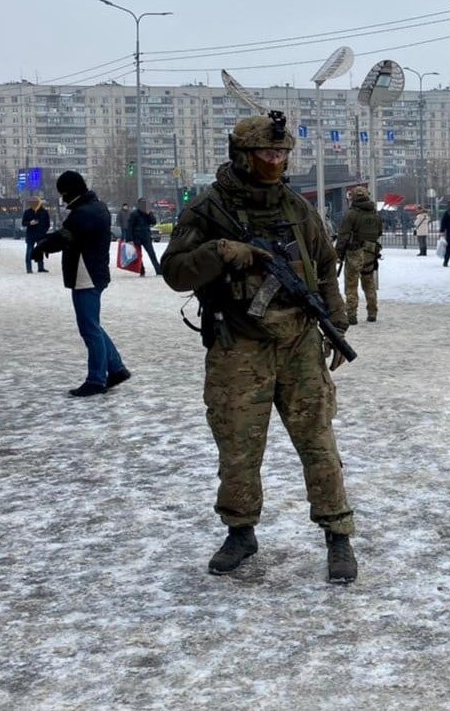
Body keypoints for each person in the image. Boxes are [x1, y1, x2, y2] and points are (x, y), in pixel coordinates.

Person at [159, 112, 357, 583]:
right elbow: (175, 272)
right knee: (238, 447)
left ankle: (338, 535)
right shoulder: (207, 211)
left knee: (318, 442)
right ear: (243, 156)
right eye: (267, 153)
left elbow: (326, 266)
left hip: (299, 342)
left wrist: (336, 322)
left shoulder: (296, 207)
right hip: (238, 345)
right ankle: (240, 531)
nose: (276, 161)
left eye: (283, 153)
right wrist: (220, 253)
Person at [32, 171, 131, 397]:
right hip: (93, 273)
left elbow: (66, 236)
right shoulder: (95, 207)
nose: (63, 199)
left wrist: (43, 246)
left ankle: (96, 379)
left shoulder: (84, 213)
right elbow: (68, 235)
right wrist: (47, 244)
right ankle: (115, 368)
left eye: (63, 194)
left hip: (86, 274)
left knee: (89, 329)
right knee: (92, 325)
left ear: (70, 191)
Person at [336, 184, 383, 324]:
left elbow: (343, 235)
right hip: (371, 252)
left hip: (354, 252)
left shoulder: (351, 214)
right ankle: (372, 312)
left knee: (351, 284)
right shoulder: (374, 214)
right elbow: (379, 232)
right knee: (369, 283)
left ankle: (351, 315)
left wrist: (338, 253)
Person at [127, 197, 162, 276]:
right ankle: (141, 270)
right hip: (137, 237)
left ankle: (158, 270)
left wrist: (149, 214)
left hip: (146, 237)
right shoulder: (134, 214)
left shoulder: (148, 213)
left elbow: (153, 222)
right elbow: (130, 227)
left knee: (152, 254)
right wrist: (129, 239)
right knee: (139, 255)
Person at [22, 197, 51, 273]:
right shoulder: (27, 212)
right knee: (29, 251)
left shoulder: (44, 212)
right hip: (31, 234)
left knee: (39, 251)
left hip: (40, 235)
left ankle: (40, 267)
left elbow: (47, 224)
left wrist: (44, 231)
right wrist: (30, 223)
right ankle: (29, 268)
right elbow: (23, 223)